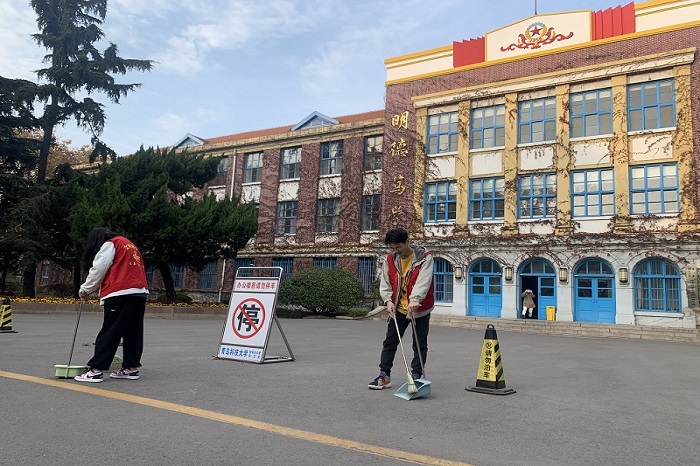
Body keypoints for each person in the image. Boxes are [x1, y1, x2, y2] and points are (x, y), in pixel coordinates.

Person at [74, 227, 149, 383]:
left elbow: (99, 268)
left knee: (110, 330)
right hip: (139, 292)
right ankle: (131, 367)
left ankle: (96, 370)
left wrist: (86, 289)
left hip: (120, 292)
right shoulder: (128, 244)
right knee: (133, 331)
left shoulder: (111, 244)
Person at [368, 228, 434, 390]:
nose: (396, 251)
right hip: (398, 308)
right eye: (393, 248)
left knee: (419, 343)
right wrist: (388, 300)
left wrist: (415, 299)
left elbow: (423, 281)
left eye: (399, 247)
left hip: (419, 308)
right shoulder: (390, 259)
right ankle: (384, 375)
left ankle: (417, 376)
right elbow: (385, 282)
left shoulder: (424, 258)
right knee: (390, 342)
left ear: (407, 242)